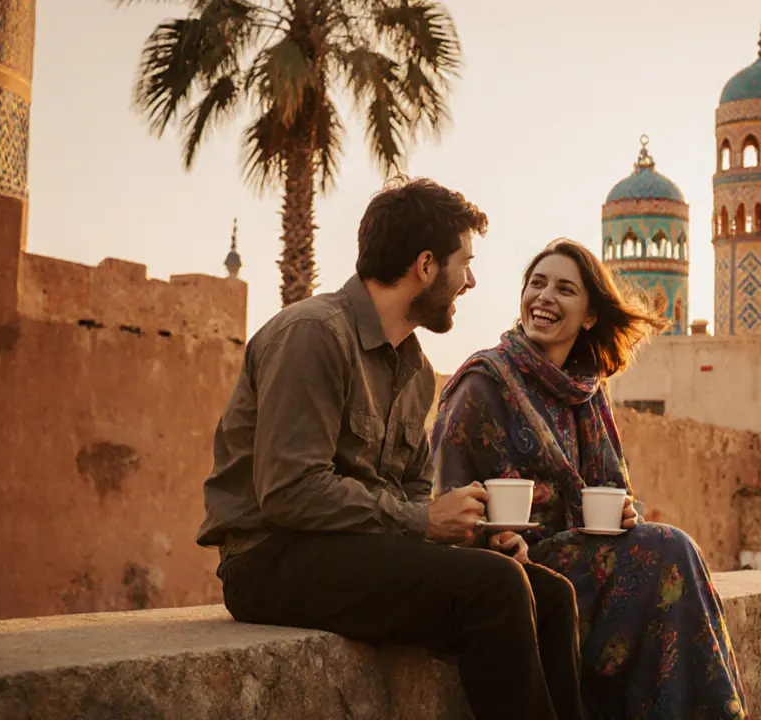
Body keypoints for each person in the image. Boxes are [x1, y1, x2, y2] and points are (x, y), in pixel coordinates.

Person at [196, 179, 584, 720]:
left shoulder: (416, 369)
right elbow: (289, 492)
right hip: (269, 559)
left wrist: (471, 536)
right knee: (493, 590)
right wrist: (425, 523)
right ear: (425, 265)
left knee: (551, 595)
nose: (470, 281)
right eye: (463, 264)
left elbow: (414, 493)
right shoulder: (314, 334)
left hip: (353, 551)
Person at [430, 238, 748, 719]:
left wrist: (623, 514)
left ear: (590, 315)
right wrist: (491, 541)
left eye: (564, 289)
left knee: (668, 550)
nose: (544, 298)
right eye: (536, 284)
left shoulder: (588, 391)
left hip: (583, 562)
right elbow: (444, 506)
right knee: (669, 550)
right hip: (514, 575)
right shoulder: (483, 383)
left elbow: (614, 492)